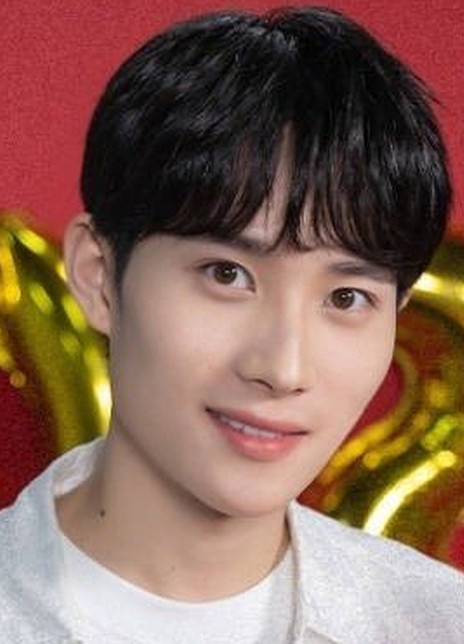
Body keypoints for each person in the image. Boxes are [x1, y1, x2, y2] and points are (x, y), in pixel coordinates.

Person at [1, 6, 463, 643]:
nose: (283, 369)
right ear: (99, 274)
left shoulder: (436, 623)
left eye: (346, 297)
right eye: (227, 275)